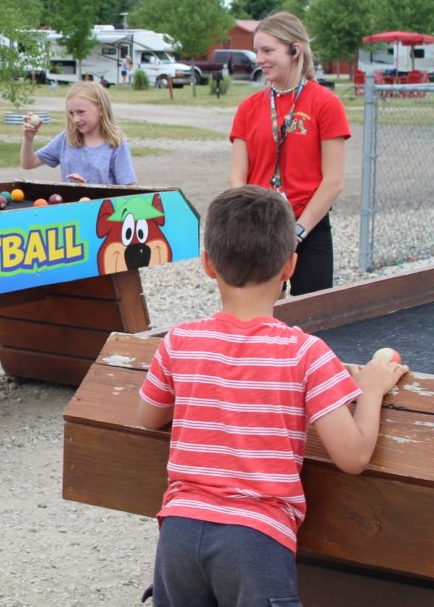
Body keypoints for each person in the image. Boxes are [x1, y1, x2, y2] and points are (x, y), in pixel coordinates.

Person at [136, 185, 408, 606]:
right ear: (291, 266)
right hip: (256, 540)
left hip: (179, 532)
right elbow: (352, 457)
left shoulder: (180, 341)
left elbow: (148, 416)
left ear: (208, 265)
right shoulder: (305, 353)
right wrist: (371, 389)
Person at [230, 11, 349, 296]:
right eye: (257, 51)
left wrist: (297, 232)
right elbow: (237, 175)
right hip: (260, 229)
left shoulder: (325, 104)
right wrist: (253, 220)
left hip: (309, 228)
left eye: (268, 50)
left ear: (294, 50)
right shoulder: (249, 107)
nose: (260, 59)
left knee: (314, 318)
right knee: (259, 320)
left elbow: (333, 181)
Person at [19, 80, 136, 185]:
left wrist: (87, 190)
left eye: (81, 112)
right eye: (71, 113)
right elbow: (28, 163)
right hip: (71, 208)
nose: (75, 119)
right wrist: (28, 138)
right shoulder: (66, 139)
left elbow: (128, 193)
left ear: (101, 110)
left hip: (102, 209)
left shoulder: (116, 145)